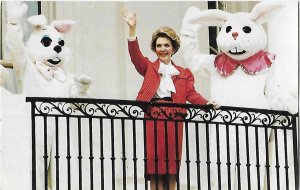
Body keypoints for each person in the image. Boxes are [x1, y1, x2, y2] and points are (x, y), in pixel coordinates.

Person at [122, 9, 219, 190]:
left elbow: (191, 94)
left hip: (175, 117)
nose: (162, 49)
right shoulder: (149, 67)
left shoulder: (184, 73)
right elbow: (135, 57)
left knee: (172, 165)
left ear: (173, 48)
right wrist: (132, 30)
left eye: (166, 45)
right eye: (159, 46)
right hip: (154, 115)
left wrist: (207, 103)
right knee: (155, 164)